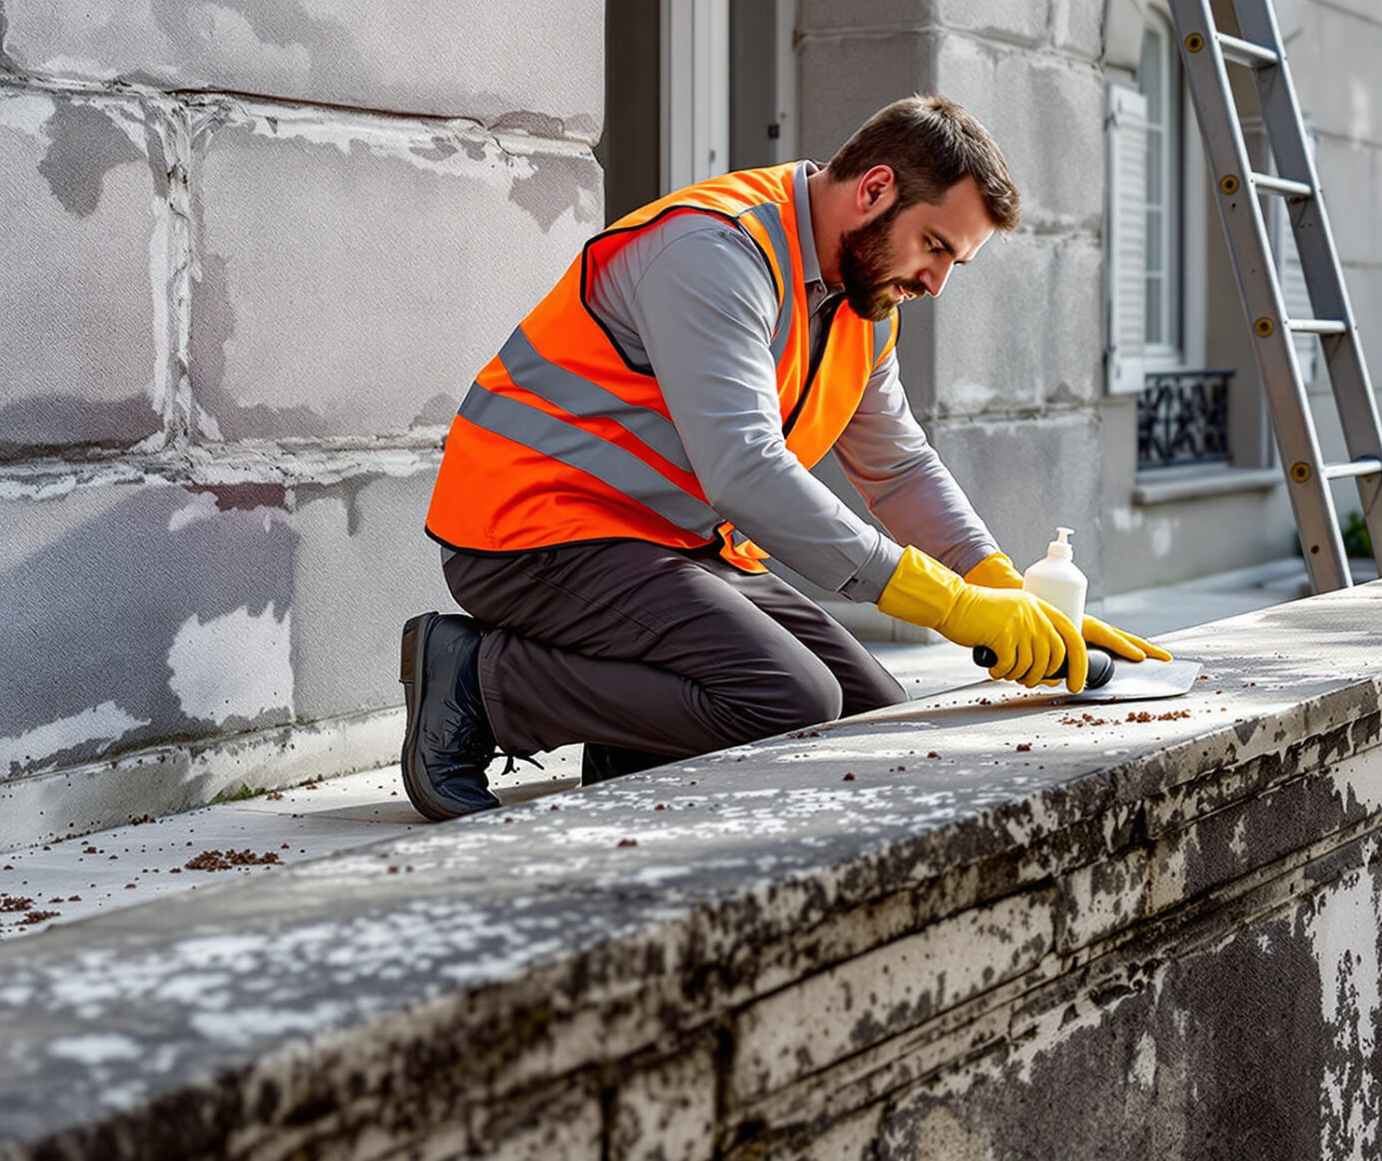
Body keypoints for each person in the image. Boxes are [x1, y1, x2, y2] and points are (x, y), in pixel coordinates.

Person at [396, 95, 1166, 821]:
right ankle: (479, 681)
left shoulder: (863, 302)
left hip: (669, 543)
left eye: (953, 264)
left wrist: (999, 582)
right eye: (934, 246)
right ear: (873, 190)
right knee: (792, 702)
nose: (935, 282)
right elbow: (746, 470)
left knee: (870, 720)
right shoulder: (715, 250)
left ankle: (637, 738)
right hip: (533, 528)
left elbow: (896, 467)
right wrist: (954, 607)